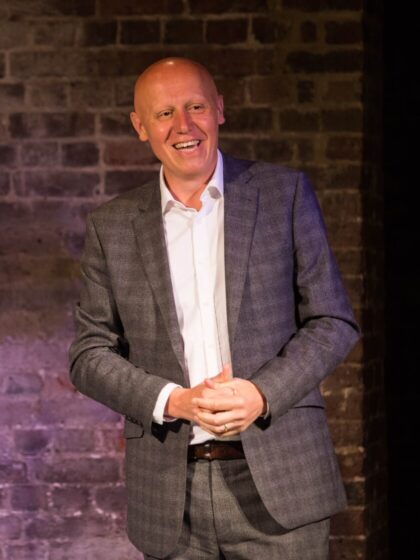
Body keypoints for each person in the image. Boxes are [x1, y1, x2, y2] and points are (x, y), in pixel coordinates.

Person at [69, 57, 360, 560]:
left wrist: (261, 394)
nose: (184, 126)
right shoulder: (111, 227)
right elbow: (88, 354)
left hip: (282, 484)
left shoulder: (283, 194)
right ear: (140, 127)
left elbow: (333, 321)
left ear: (219, 109)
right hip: (170, 496)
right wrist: (173, 401)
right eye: (164, 114)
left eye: (196, 106)